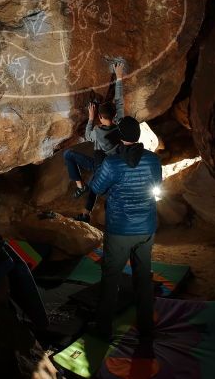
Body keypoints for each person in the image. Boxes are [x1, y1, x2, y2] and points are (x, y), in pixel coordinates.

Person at [88, 116, 161, 341]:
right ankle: (146, 329)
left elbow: (96, 187)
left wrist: (101, 166)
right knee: (143, 278)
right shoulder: (153, 160)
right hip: (146, 229)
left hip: (120, 230)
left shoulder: (112, 163)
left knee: (111, 279)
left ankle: (104, 330)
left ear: (120, 137)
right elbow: (156, 186)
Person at [62, 62, 125, 223]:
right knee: (97, 182)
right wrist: (119, 76)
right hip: (110, 166)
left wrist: (90, 118)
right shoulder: (120, 125)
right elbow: (119, 100)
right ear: (115, 115)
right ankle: (85, 214)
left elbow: (87, 135)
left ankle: (79, 186)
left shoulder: (97, 132)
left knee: (69, 154)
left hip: (99, 165)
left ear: (100, 117)